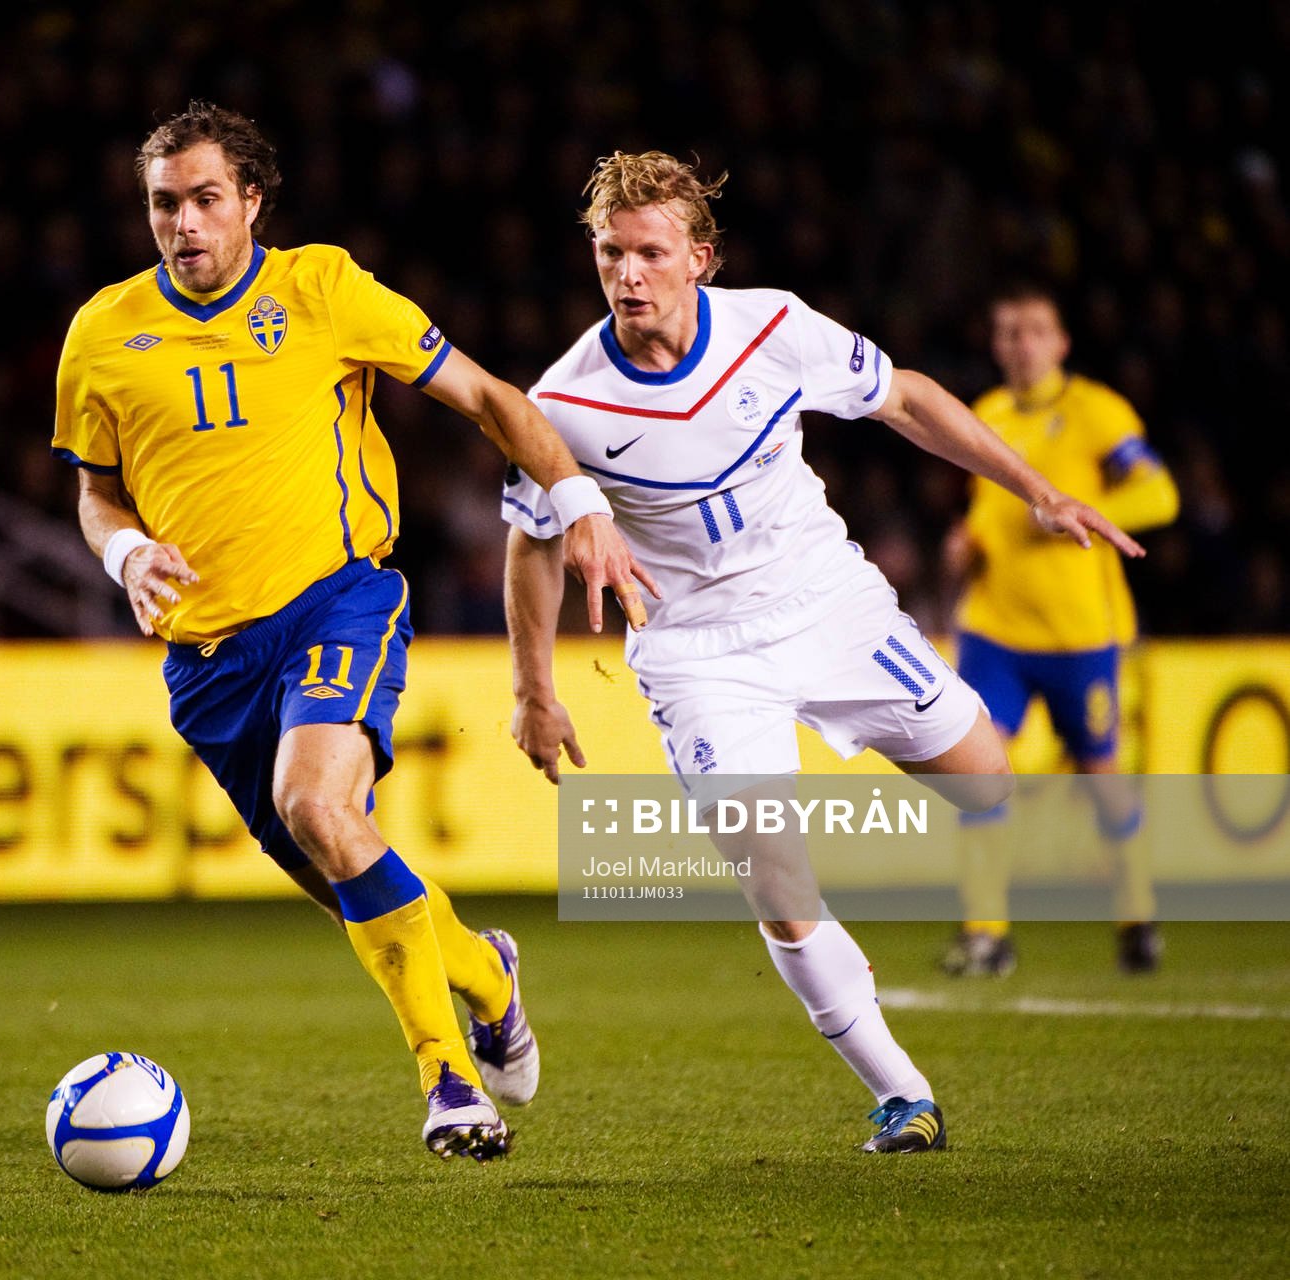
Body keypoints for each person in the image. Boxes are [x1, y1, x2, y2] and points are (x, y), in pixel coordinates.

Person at [501, 151, 1142, 1154]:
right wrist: (532, 687)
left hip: (825, 602)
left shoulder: (773, 327)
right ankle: (898, 1088)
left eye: (648, 253)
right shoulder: (563, 404)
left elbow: (905, 398)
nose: (626, 274)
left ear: (698, 259)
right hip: (698, 651)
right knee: (775, 875)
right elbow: (532, 544)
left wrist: (1035, 489)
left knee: (988, 784)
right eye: (608, 253)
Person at [53, 102, 651, 1161]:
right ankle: (482, 969)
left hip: (336, 601)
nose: (182, 224)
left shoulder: (321, 289)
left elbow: (482, 394)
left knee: (315, 802)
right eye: (162, 204)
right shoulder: (101, 332)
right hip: (205, 662)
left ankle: (447, 1079)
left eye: (202, 200)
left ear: (249, 200)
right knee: (341, 865)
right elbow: (98, 494)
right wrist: (124, 553)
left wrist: (578, 502)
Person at [941, 283, 1180, 977]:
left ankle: (1136, 916)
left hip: (1081, 637)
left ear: (1061, 343)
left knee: (1101, 780)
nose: (1019, 344)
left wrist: (1075, 511)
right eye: (1006, 332)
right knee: (977, 772)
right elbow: (988, 512)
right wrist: (967, 542)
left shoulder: (1095, 413)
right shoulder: (983, 413)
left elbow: (1157, 494)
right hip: (994, 632)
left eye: (1033, 331)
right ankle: (986, 935)